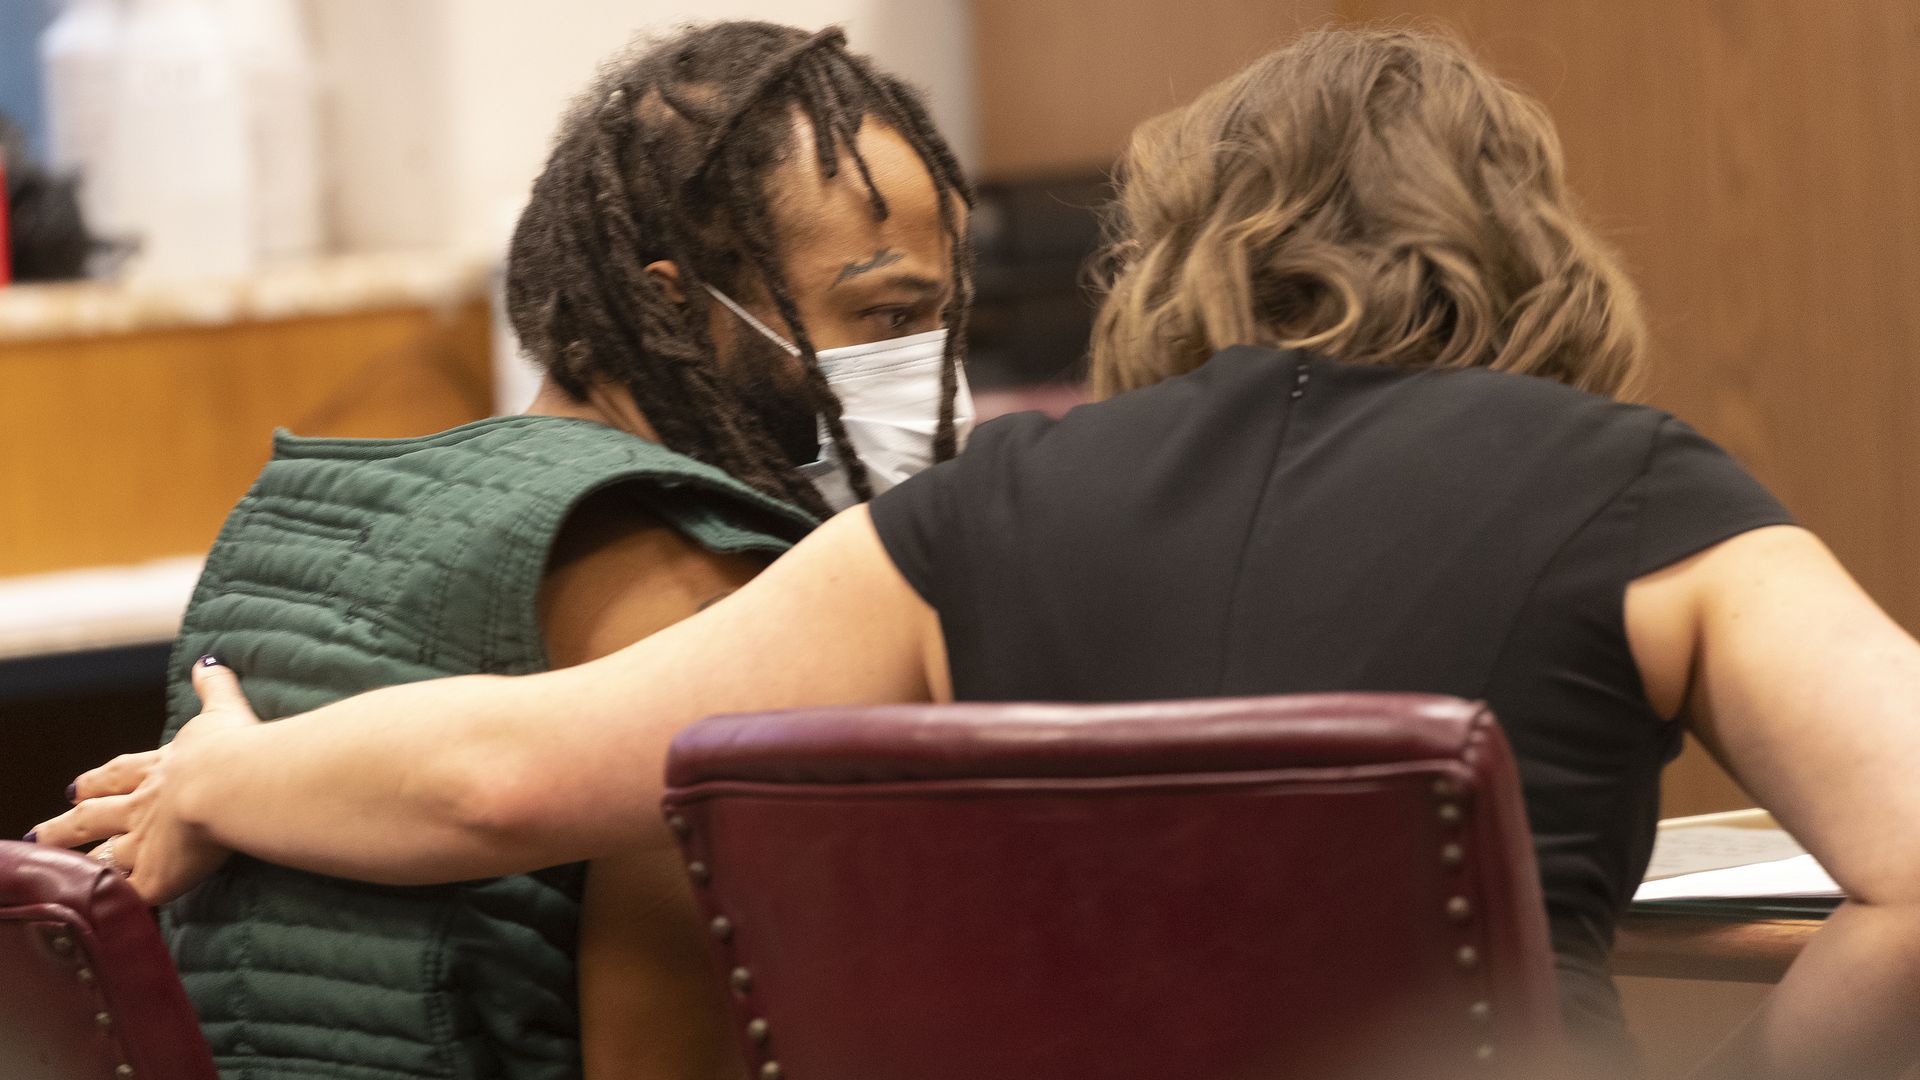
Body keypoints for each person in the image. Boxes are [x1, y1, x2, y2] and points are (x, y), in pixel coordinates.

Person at [36, 26, 1920, 1080]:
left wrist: (239, 765)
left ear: (1172, 249)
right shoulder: (1654, 495)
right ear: (1540, 255)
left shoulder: (976, 519)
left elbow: (500, 771)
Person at [30, 21, 973, 1080]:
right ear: (672, 303)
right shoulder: (691, 571)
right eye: (885, 315)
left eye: (938, 320)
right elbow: (670, 1055)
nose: (928, 368)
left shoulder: (304, 516)